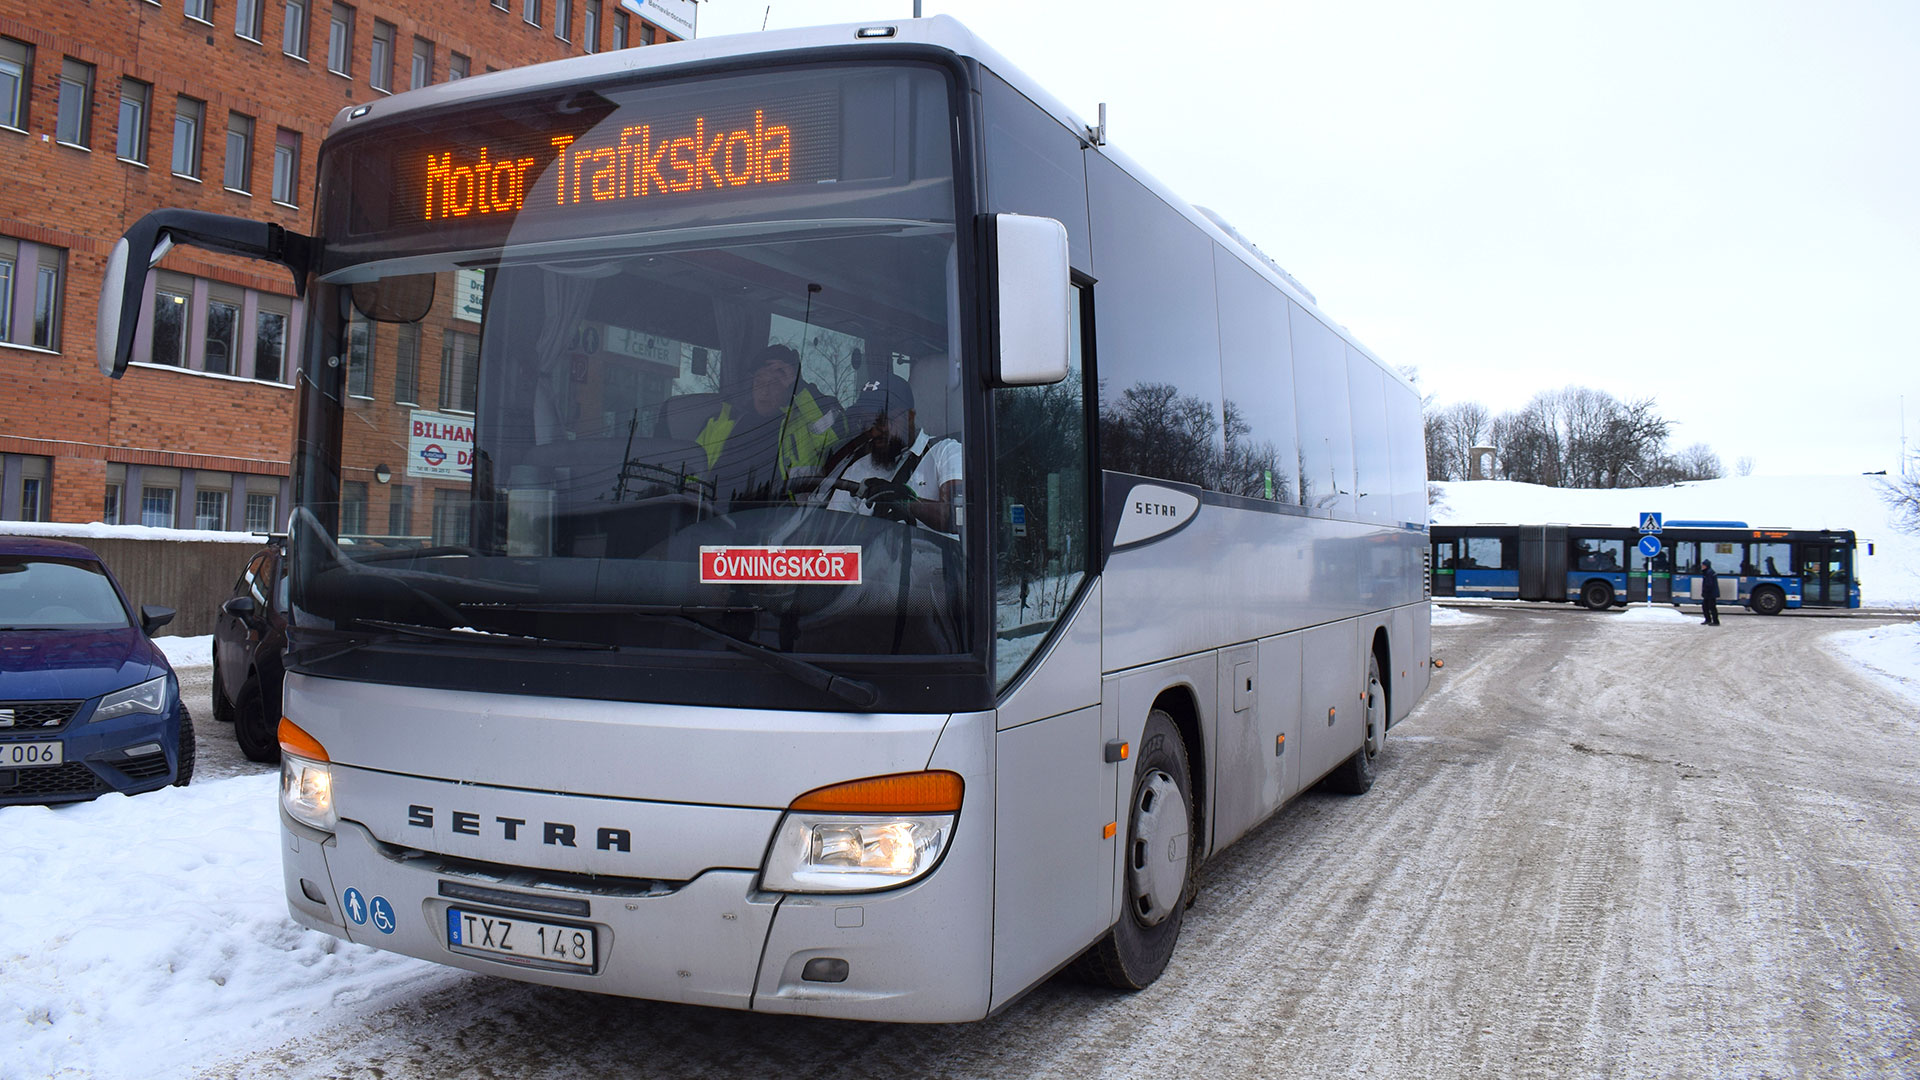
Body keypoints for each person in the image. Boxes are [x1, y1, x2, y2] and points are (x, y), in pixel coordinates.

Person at [695, 344, 841, 508]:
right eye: (759, 381)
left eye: (774, 383)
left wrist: (800, 386)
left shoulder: (805, 425)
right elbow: (690, 475)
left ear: (789, 387)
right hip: (712, 521)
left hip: (786, 526)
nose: (764, 391)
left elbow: (839, 436)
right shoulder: (720, 422)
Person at [822, 373, 961, 533]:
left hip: (937, 556)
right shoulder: (857, 469)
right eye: (866, 423)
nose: (873, 432)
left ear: (910, 416)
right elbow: (832, 535)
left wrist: (905, 502)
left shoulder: (945, 453)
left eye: (881, 421)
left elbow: (958, 517)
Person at [1699, 559, 1721, 625]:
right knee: (1706, 606)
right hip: (1710, 593)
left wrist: (1705, 592)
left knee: (1711, 607)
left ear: (1706, 566)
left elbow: (1709, 584)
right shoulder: (1708, 572)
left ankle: (1715, 621)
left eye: (1703, 565)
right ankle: (1709, 620)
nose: (1702, 566)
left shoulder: (1709, 572)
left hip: (1710, 593)